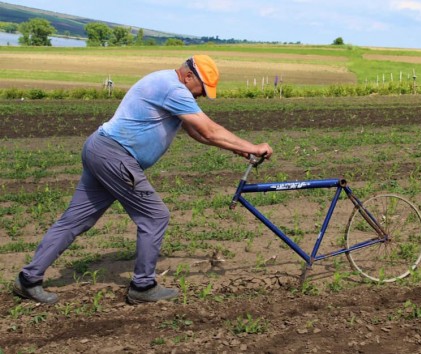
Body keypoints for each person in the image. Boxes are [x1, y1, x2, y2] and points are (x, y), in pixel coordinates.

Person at [13, 54, 273, 304]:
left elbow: (199, 133)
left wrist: (239, 148)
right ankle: (143, 286)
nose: (201, 95)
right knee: (155, 216)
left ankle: (28, 279)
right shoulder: (174, 89)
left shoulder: (166, 83)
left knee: (75, 219)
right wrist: (253, 146)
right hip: (115, 156)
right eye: (202, 89)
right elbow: (209, 128)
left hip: (100, 148)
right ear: (188, 75)